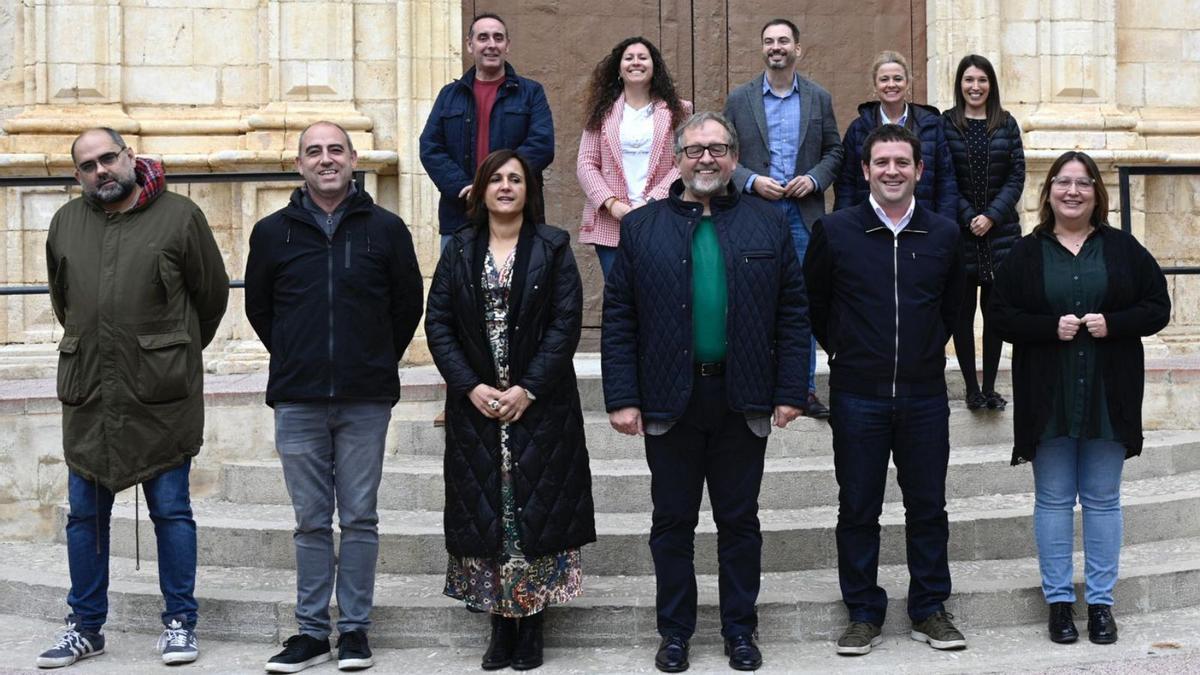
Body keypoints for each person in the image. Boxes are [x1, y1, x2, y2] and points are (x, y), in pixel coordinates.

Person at [603, 111, 811, 673]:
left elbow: (793, 312)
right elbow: (620, 317)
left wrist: (793, 388)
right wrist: (622, 396)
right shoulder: (643, 227)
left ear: (735, 159)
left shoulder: (767, 223)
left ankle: (740, 631)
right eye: (695, 151)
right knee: (672, 522)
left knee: (739, 522)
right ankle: (674, 633)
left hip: (742, 398)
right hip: (670, 401)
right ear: (676, 159)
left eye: (717, 150)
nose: (706, 160)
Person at [38, 128, 229, 668]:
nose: (101, 171)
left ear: (129, 157)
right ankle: (86, 627)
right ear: (78, 176)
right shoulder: (65, 223)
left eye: (108, 158)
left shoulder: (179, 216)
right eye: (87, 165)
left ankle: (179, 623)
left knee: (171, 511)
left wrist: (167, 352)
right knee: (84, 517)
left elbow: (209, 299)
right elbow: (65, 303)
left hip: (160, 395)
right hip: (90, 394)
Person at [245, 121, 424, 673]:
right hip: (298, 397)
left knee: (361, 517)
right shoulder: (273, 232)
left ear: (353, 158)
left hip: (365, 398)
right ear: (299, 164)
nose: (326, 159)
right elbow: (260, 310)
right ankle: (309, 632)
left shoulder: (387, 229)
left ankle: (353, 631)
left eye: (336, 150)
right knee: (310, 520)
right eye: (314, 152)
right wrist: (301, 357)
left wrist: (369, 359)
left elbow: (406, 306)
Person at [989, 151, 1170, 646]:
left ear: (1096, 193)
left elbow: (1158, 307)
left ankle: (1102, 604)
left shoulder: (1124, 249)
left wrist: (1114, 323)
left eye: (1083, 183)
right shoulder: (1025, 254)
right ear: (1048, 191)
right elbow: (1001, 315)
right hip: (1048, 396)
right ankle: (1059, 605)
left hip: (1108, 395)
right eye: (1063, 182)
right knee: (1052, 501)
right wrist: (1050, 328)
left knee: (1103, 500)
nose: (1072, 191)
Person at [425, 149, 596, 672]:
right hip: (478, 405)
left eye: (515, 179)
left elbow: (566, 324)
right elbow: (439, 324)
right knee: (492, 510)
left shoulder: (554, 246)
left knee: (533, 509)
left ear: (529, 189)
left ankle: (533, 622)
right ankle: (501, 625)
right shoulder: (458, 250)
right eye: (495, 179)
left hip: (537, 405)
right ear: (480, 190)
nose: (505, 187)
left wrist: (529, 388)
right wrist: (469, 385)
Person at [804, 124, 966, 656]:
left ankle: (929, 608)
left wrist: (922, 353)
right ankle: (864, 613)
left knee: (928, 507)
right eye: (882, 163)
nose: (892, 171)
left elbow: (954, 310)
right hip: (858, 395)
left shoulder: (944, 234)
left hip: (923, 396)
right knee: (858, 507)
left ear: (919, 171)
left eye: (902, 162)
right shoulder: (836, 231)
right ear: (865, 170)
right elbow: (817, 306)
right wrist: (848, 352)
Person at [724, 18, 843, 419]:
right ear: (762, 49)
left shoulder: (818, 98)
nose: (776, 47)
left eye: (783, 41)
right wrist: (752, 181)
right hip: (754, 211)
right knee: (753, 298)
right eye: (769, 41)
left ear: (798, 49)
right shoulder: (739, 100)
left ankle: (803, 388)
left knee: (802, 302)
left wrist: (813, 179)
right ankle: (753, 383)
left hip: (803, 215)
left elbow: (835, 152)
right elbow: (725, 154)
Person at [420, 12, 555, 251]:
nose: (491, 44)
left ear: (507, 45)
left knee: (521, 287)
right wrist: (464, 187)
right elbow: (430, 147)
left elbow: (542, 144)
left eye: (498, 38)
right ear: (470, 45)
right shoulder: (449, 95)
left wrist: (496, 183)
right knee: (457, 286)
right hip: (460, 216)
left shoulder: (531, 92)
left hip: (519, 215)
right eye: (483, 37)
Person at [943, 54, 1025, 411]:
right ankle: (971, 388)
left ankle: (991, 386)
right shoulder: (947, 124)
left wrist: (991, 216)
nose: (975, 87)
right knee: (962, 314)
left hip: (1000, 234)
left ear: (991, 85)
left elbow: (1016, 175)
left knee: (994, 314)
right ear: (960, 84)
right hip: (961, 235)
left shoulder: (1006, 124)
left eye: (982, 80)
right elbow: (945, 176)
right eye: (968, 80)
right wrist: (968, 216)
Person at [576, 36, 692, 278]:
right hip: (612, 221)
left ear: (654, 66)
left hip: (661, 215)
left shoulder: (678, 110)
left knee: (661, 292)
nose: (635, 62)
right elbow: (586, 164)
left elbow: (683, 162)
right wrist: (613, 205)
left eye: (643, 57)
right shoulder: (601, 111)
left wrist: (651, 202)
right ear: (619, 68)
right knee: (619, 297)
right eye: (628, 58)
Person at [833, 50, 958, 223]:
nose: (891, 84)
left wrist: (944, 226)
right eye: (884, 79)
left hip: (922, 224)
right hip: (869, 225)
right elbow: (845, 184)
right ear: (875, 86)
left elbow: (946, 181)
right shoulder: (858, 128)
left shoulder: (932, 125)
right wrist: (846, 226)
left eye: (898, 79)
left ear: (908, 83)